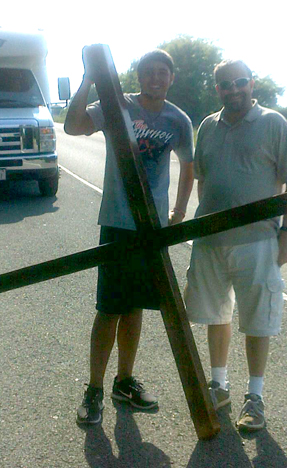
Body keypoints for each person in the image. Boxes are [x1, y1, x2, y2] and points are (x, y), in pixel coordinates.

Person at [64, 48, 194, 425]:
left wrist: (178, 213)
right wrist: (89, 80)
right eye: (149, 72)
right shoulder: (116, 105)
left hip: (150, 228)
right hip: (118, 223)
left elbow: (188, 167)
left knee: (135, 307)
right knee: (109, 309)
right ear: (139, 77)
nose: (156, 78)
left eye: (162, 73)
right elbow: (73, 127)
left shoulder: (178, 119)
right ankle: (94, 390)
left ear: (172, 77)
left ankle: (124, 381)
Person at [184, 59, 287, 431]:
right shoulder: (207, 125)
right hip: (211, 241)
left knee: (257, 321)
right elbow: (202, 179)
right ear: (217, 88)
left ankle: (255, 397)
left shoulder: (273, 123)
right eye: (224, 84)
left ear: (251, 84)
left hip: (258, 241)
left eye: (239, 82)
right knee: (215, 315)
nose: (233, 89)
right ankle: (218, 384)